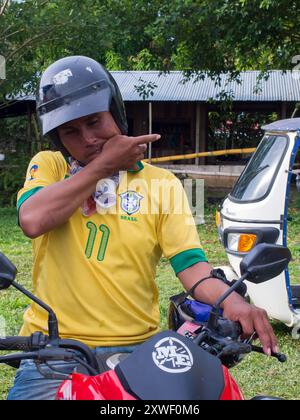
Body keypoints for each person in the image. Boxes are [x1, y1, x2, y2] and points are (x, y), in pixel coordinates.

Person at [8, 56, 278, 400]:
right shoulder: (49, 167)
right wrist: (105, 165)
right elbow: (33, 219)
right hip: (54, 350)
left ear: (116, 113)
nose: (88, 138)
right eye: (70, 131)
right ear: (58, 139)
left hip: (140, 349)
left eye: (94, 121)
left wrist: (234, 301)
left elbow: (191, 267)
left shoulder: (160, 184)